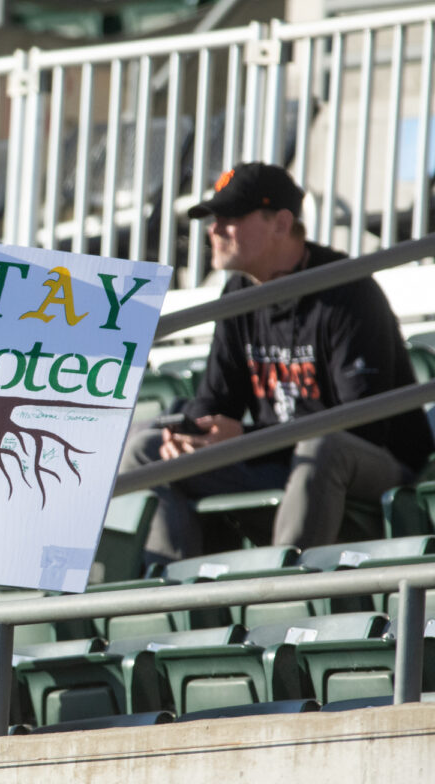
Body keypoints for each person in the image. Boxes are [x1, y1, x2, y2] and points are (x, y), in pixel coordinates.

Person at [121, 162, 435, 564]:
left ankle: (280, 592)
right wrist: (193, 431)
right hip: (282, 458)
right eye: (214, 219)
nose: (214, 230)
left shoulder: (347, 288)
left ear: (281, 224)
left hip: (376, 463)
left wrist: (248, 436)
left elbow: (365, 423)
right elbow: (215, 398)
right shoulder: (238, 293)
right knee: (149, 450)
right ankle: (179, 598)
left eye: (231, 218)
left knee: (321, 446)